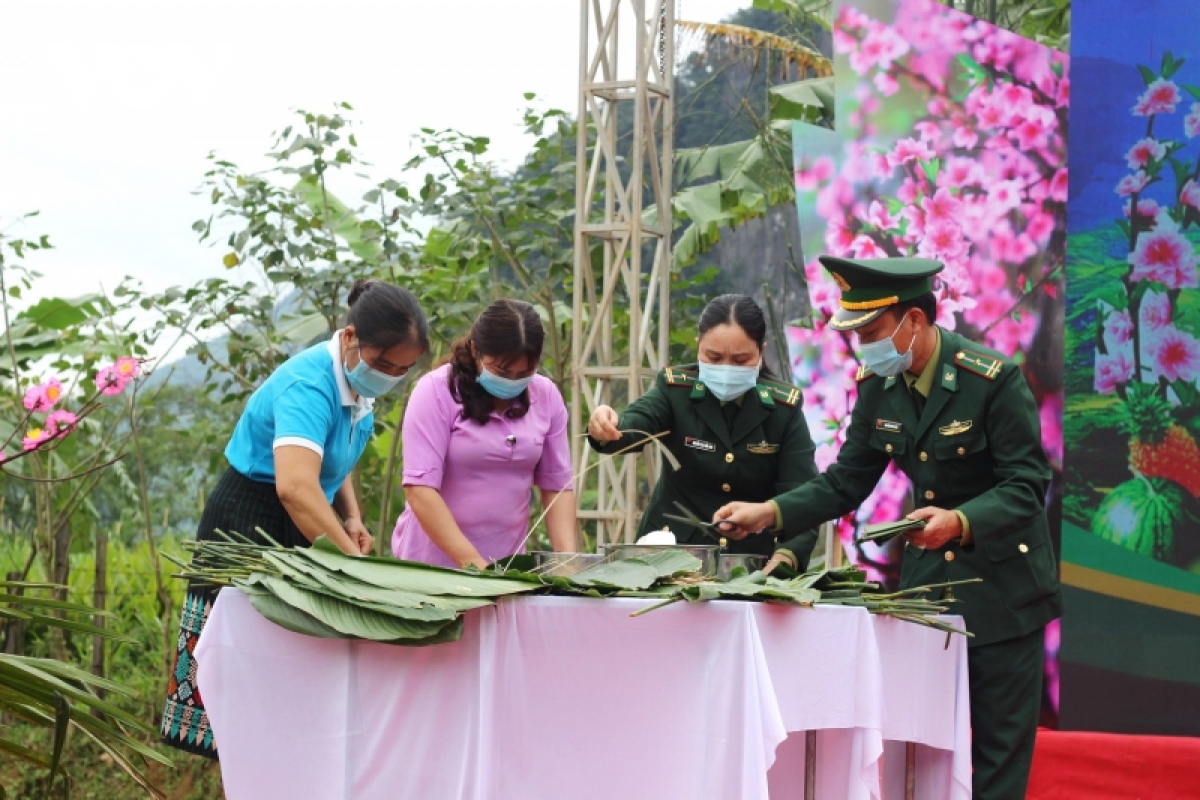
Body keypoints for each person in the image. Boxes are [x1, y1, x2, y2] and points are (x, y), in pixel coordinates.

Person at [714, 256, 1062, 800]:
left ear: (914, 322)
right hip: (927, 594)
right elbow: (845, 482)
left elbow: (1026, 486)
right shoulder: (879, 386)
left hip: (1004, 593)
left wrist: (960, 521)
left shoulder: (990, 379)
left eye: (873, 333)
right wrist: (770, 513)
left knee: (997, 757)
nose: (864, 348)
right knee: (917, 754)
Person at [161, 278, 429, 759]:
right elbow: (295, 486)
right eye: (384, 363)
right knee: (239, 687)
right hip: (249, 526)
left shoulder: (354, 382)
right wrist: (355, 569)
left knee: (289, 684)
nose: (391, 375)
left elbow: (330, 459)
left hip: (301, 525)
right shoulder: (308, 384)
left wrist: (351, 517)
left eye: (403, 369)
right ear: (350, 339)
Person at [588, 294, 819, 559]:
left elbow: (802, 496)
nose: (726, 368)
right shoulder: (676, 391)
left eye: (741, 360)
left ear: (761, 352)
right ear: (698, 348)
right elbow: (635, 424)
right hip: (669, 551)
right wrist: (607, 425)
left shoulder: (782, 409)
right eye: (714, 357)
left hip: (750, 561)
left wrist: (785, 558)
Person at [392, 299, 576, 567]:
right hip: (432, 569)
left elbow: (557, 487)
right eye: (502, 371)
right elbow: (420, 490)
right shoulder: (435, 391)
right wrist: (477, 567)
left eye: (524, 373)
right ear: (476, 351)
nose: (512, 381)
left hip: (508, 569)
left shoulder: (545, 396)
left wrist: (568, 563)